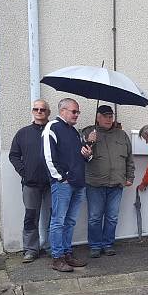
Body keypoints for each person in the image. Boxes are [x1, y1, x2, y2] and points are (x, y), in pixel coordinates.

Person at [42, 98, 91, 272]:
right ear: (63, 110)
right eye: (74, 111)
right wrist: (61, 178)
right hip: (63, 184)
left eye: (78, 112)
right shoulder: (52, 127)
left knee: (70, 221)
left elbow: (80, 156)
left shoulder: (75, 132)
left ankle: (67, 253)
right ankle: (57, 258)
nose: (77, 115)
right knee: (58, 221)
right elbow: (48, 157)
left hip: (78, 183)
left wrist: (87, 153)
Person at [82, 105, 134, 258]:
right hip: (95, 183)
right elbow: (83, 156)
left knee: (112, 217)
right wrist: (89, 142)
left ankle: (108, 244)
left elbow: (129, 158)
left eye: (110, 116)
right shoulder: (88, 132)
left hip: (117, 183)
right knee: (94, 217)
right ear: (98, 117)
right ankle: (95, 245)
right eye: (105, 116)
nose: (108, 119)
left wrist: (130, 177)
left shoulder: (121, 135)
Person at [9, 99, 52, 263]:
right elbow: (13, 155)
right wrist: (24, 172)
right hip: (30, 184)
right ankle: (31, 249)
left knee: (53, 217)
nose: (39, 112)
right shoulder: (23, 133)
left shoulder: (54, 131)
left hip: (52, 183)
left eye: (43, 109)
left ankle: (50, 246)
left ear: (48, 112)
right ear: (32, 111)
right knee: (30, 217)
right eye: (36, 109)